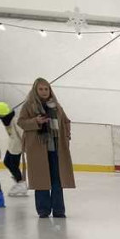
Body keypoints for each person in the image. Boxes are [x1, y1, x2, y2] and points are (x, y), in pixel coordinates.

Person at [17, 78, 74, 219]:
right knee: (41, 180)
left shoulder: (56, 106)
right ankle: (43, 210)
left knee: (57, 179)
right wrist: (35, 121)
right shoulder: (29, 106)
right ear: (35, 90)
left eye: (46, 89)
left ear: (50, 90)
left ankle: (59, 210)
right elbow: (21, 122)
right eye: (41, 89)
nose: (44, 92)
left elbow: (66, 121)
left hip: (56, 148)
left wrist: (66, 137)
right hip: (37, 148)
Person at [0, 104, 26, 197]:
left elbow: (22, 134)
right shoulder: (7, 120)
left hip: (17, 148)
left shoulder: (15, 120)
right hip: (11, 146)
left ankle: (21, 184)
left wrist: (26, 147)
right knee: (7, 162)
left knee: (13, 165)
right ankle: (19, 181)